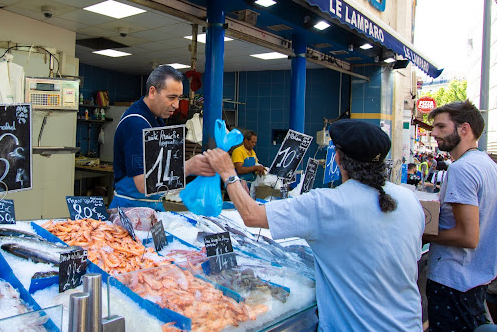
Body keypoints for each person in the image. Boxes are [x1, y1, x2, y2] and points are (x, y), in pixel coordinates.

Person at [202, 119, 425, 331]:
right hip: (408, 325)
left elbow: (252, 216)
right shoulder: (409, 199)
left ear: (337, 159)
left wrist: (228, 173)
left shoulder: (327, 204)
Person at [424, 100, 497, 331]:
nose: (434, 133)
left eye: (441, 127)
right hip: (475, 280)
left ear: (464, 128)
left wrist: (425, 234)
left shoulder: (461, 169)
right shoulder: (487, 164)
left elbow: (468, 236)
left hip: (453, 282)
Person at [110, 65, 214, 210]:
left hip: (151, 204)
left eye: (179, 98)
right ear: (152, 92)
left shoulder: (156, 120)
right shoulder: (136, 124)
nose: (177, 105)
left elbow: (158, 167)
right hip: (131, 208)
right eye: (171, 97)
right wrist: (189, 167)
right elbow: (141, 183)